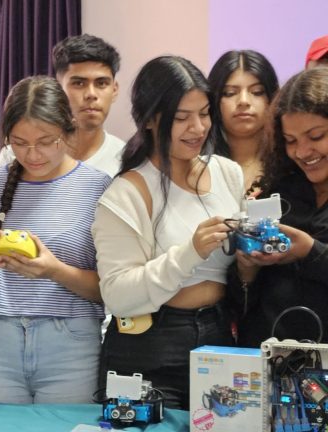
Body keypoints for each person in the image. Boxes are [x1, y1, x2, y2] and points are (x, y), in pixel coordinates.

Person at [91, 56, 245, 410]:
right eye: (181, 118)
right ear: (149, 120)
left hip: (219, 336)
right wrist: (190, 252)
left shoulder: (227, 173)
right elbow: (116, 295)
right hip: (149, 345)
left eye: (204, 113)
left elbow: (238, 271)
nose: (197, 128)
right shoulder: (127, 193)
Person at [0, 76, 109, 404]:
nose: (32, 154)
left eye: (45, 141)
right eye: (19, 142)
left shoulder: (99, 188)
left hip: (71, 344)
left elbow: (110, 288)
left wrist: (54, 269)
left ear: (67, 131)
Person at [228, 67, 328, 347]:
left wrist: (310, 251)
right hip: (269, 363)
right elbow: (242, 301)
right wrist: (247, 268)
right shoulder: (280, 192)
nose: (303, 152)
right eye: (291, 141)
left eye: (316, 136)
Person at [0, 34, 125, 177]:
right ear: (58, 87)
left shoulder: (124, 161)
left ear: (114, 89)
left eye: (101, 83)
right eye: (79, 83)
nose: (91, 94)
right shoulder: (18, 153)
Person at [208, 50, 279, 195]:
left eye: (257, 92)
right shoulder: (198, 166)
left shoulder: (290, 164)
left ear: (272, 98)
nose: (244, 101)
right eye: (229, 93)